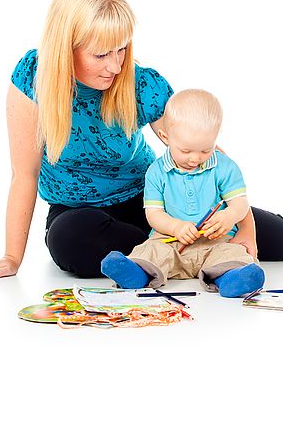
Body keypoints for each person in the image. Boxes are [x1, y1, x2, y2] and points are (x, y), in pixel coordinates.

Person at [0, 0, 283, 281]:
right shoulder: (33, 77)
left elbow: (197, 146)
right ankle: (184, 251)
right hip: (79, 212)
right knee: (72, 240)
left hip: (153, 202)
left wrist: (245, 225)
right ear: (66, 48)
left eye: (122, 49)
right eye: (101, 54)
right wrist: (11, 257)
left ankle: (169, 251)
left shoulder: (140, 83)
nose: (115, 65)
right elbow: (25, 174)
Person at [101, 89, 265, 297]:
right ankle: (136, 274)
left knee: (233, 253)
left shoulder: (225, 166)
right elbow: (154, 215)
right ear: (165, 137)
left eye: (206, 150)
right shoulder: (156, 171)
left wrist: (229, 216)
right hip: (171, 241)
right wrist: (176, 227)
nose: (195, 158)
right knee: (151, 250)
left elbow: (240, 203)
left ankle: (232, 279)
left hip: (217, 241)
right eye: (186, 151)